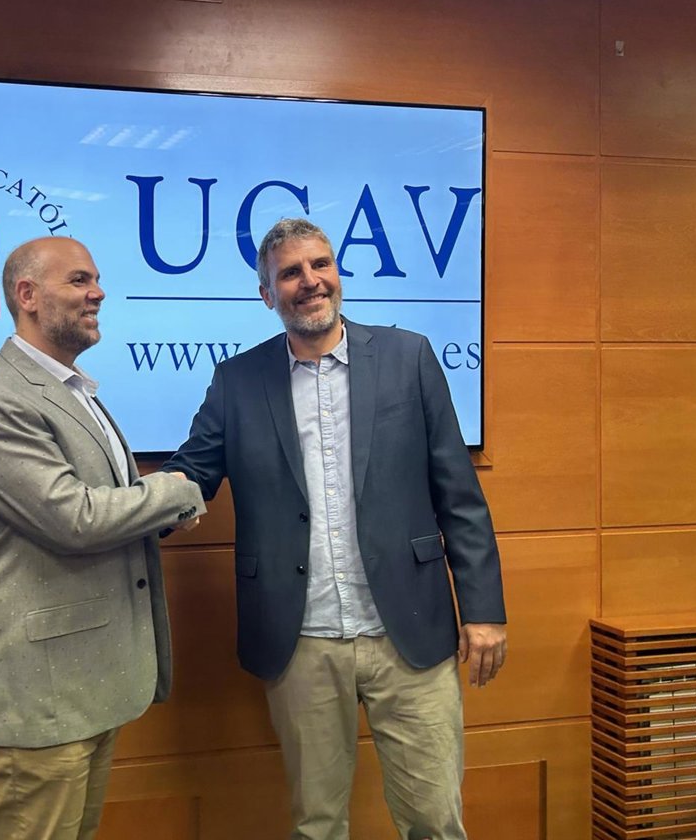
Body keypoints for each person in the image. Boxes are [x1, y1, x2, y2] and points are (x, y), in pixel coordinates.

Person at [164, 218, 506, 840]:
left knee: (435, 821)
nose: (310, 281)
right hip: (301, 640)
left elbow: (459, 494)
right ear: (267, 293)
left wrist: (482, 610)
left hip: (410, 631)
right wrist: (115, 511)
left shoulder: (408, 358)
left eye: (320, 264)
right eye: (290, 273)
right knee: (317, 824)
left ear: (337, 272)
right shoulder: (238, 381)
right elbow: (194, 473)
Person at [0, 236, 205, 840]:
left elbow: (101, 504)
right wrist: (174, 490)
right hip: (37, 700)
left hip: (84, 687)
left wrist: (151, 510)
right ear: (27, 295)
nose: (98, 293)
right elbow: (75, 518)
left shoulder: (75, 391)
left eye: (96, 280)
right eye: (79, 281)